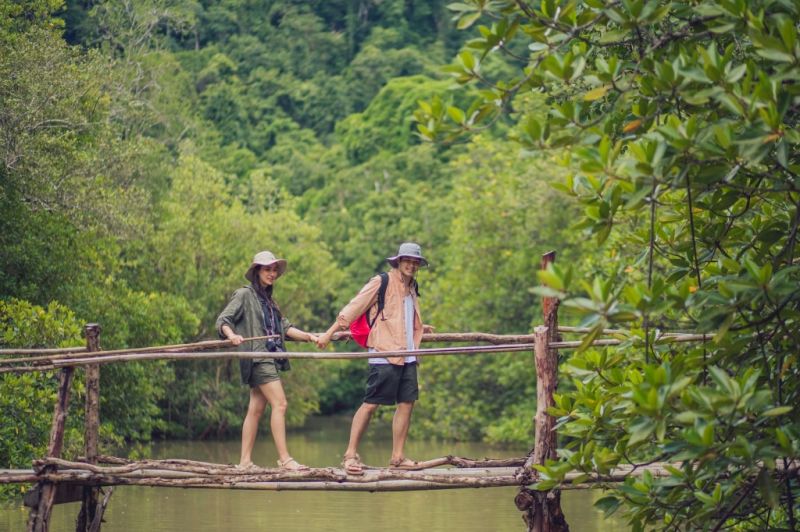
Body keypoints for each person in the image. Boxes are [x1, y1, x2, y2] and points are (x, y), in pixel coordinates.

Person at [317, 242, 433, 475]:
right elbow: (353, 307)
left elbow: (400, 315)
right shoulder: (382, 281)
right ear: (399, 261)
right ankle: (350, 455)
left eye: (415, 262)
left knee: (407, 403)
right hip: (384, 352)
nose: (411, 265)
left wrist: (420, 327)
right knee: (371, 403)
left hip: (409, 354)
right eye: (407, 261)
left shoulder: (412, 286)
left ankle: (398, 457)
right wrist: (328, 334)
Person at [216, 250, 318, 470]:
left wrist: (310, 337)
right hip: (258, 357)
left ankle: (244, 462)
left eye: (274, 270)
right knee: (280, 404)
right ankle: (285, 459)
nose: (272, 273)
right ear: (257, 271)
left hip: (270, 357)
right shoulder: (244, 295)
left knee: (255, 410)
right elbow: (223, 320)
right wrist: (232, 335)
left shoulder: (270, 301)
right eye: (267, 269)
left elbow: (286, 328)